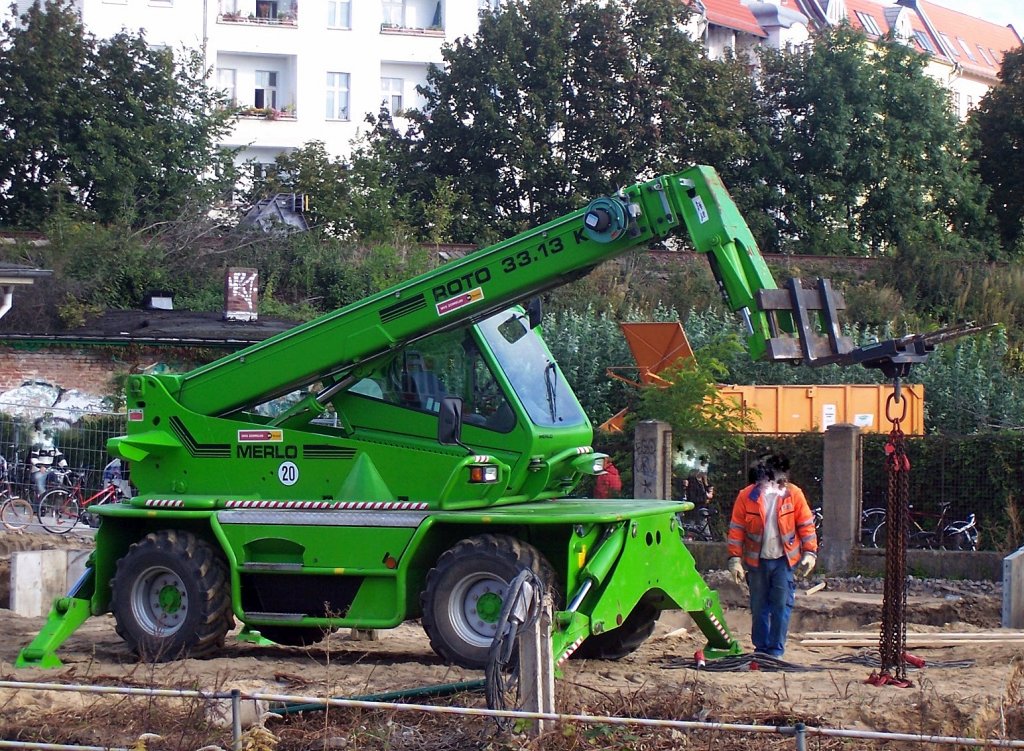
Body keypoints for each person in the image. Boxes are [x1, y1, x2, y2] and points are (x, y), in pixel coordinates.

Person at [726, 452, 817, 657]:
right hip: (757, 562)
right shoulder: (746, 497)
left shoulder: (794, 495)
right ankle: (761, 649)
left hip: (784, 562)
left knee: (781, 606)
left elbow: (806, 525)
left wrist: (810, 553)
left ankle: (775, 650)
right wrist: (734, 559)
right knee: (759, 608)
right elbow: (737, 530)